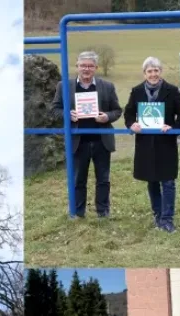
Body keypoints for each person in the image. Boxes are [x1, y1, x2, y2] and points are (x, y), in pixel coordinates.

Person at [52, 50, 122, 219]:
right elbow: (54, 109)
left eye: (90, 66)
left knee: (103, 179)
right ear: (77, 66)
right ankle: (78, 212)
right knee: (78, 180)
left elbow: (117, 110)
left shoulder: (107, 86)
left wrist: (106, 117)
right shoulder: (64, 86)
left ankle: (103, 212)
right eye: (83, 65)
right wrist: (68, 115)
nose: (86, 69)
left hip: (101, 140)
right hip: (78, 141)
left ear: (96, 68)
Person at [123, 56, 180, 233]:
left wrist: (173, 127)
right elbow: (128, 113)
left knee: (168, 181)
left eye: (156, 70)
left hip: (166, 142)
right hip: (145, 143)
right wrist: (132, 125)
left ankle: (167, 219)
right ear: (144, 73)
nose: (153, 74)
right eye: (149, 71)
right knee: (151, 180)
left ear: (161, 72)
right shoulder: (136, 91)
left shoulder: (172, 90)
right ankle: (158, 215)